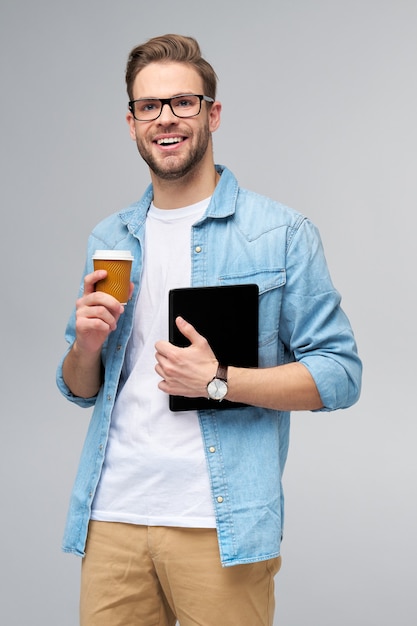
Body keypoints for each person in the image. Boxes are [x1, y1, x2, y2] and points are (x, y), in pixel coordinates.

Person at [57, 33, 362, 626]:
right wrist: (86, 347)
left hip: (216, 523)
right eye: (149, 106)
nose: (165, 119)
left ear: (212, 113)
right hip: (112, 517)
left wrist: (219, 379)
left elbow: (341, 374)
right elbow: (80, 387)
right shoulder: (111, 240)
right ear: (131, 122)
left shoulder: (281, 233)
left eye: (183, 103)